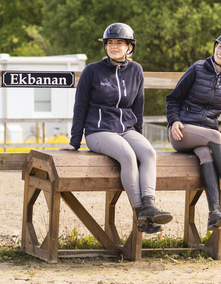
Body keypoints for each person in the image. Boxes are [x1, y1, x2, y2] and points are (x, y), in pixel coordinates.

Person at [59, 23, 172, 234]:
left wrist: (138, 135)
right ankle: (141, 214)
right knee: (128, 155)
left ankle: (149, 205)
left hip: (126, 130)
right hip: (98, 131)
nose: (113, 46)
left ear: (129, 47)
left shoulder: (136, 70)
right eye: (110, 43)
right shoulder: (92, 71)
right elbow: (80, 107)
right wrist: (75, 142)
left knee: (148, 152)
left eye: (119, 43)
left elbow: (138, 107)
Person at [165, 31, 221, 230]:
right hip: (183, 131)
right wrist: (174, 121)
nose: (220, 51)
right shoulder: (197, 68)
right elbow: (172, 99)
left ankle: (214, 213)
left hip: (207, 139)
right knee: (215, 136)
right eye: (219, 46)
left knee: (207, 155)